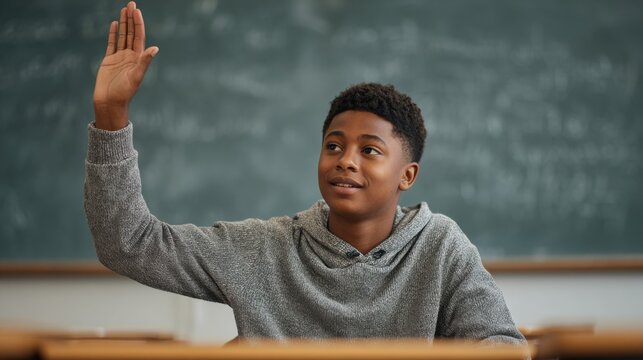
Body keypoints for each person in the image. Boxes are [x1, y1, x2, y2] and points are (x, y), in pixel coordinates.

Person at [85, 1, 526, 343]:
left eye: (369, 150)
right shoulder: (264, 249)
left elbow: (501, 344)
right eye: (333, 145)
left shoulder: (441, 248)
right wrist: (111, 116)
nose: (345, 159)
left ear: (406, 176)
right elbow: (127, 243)